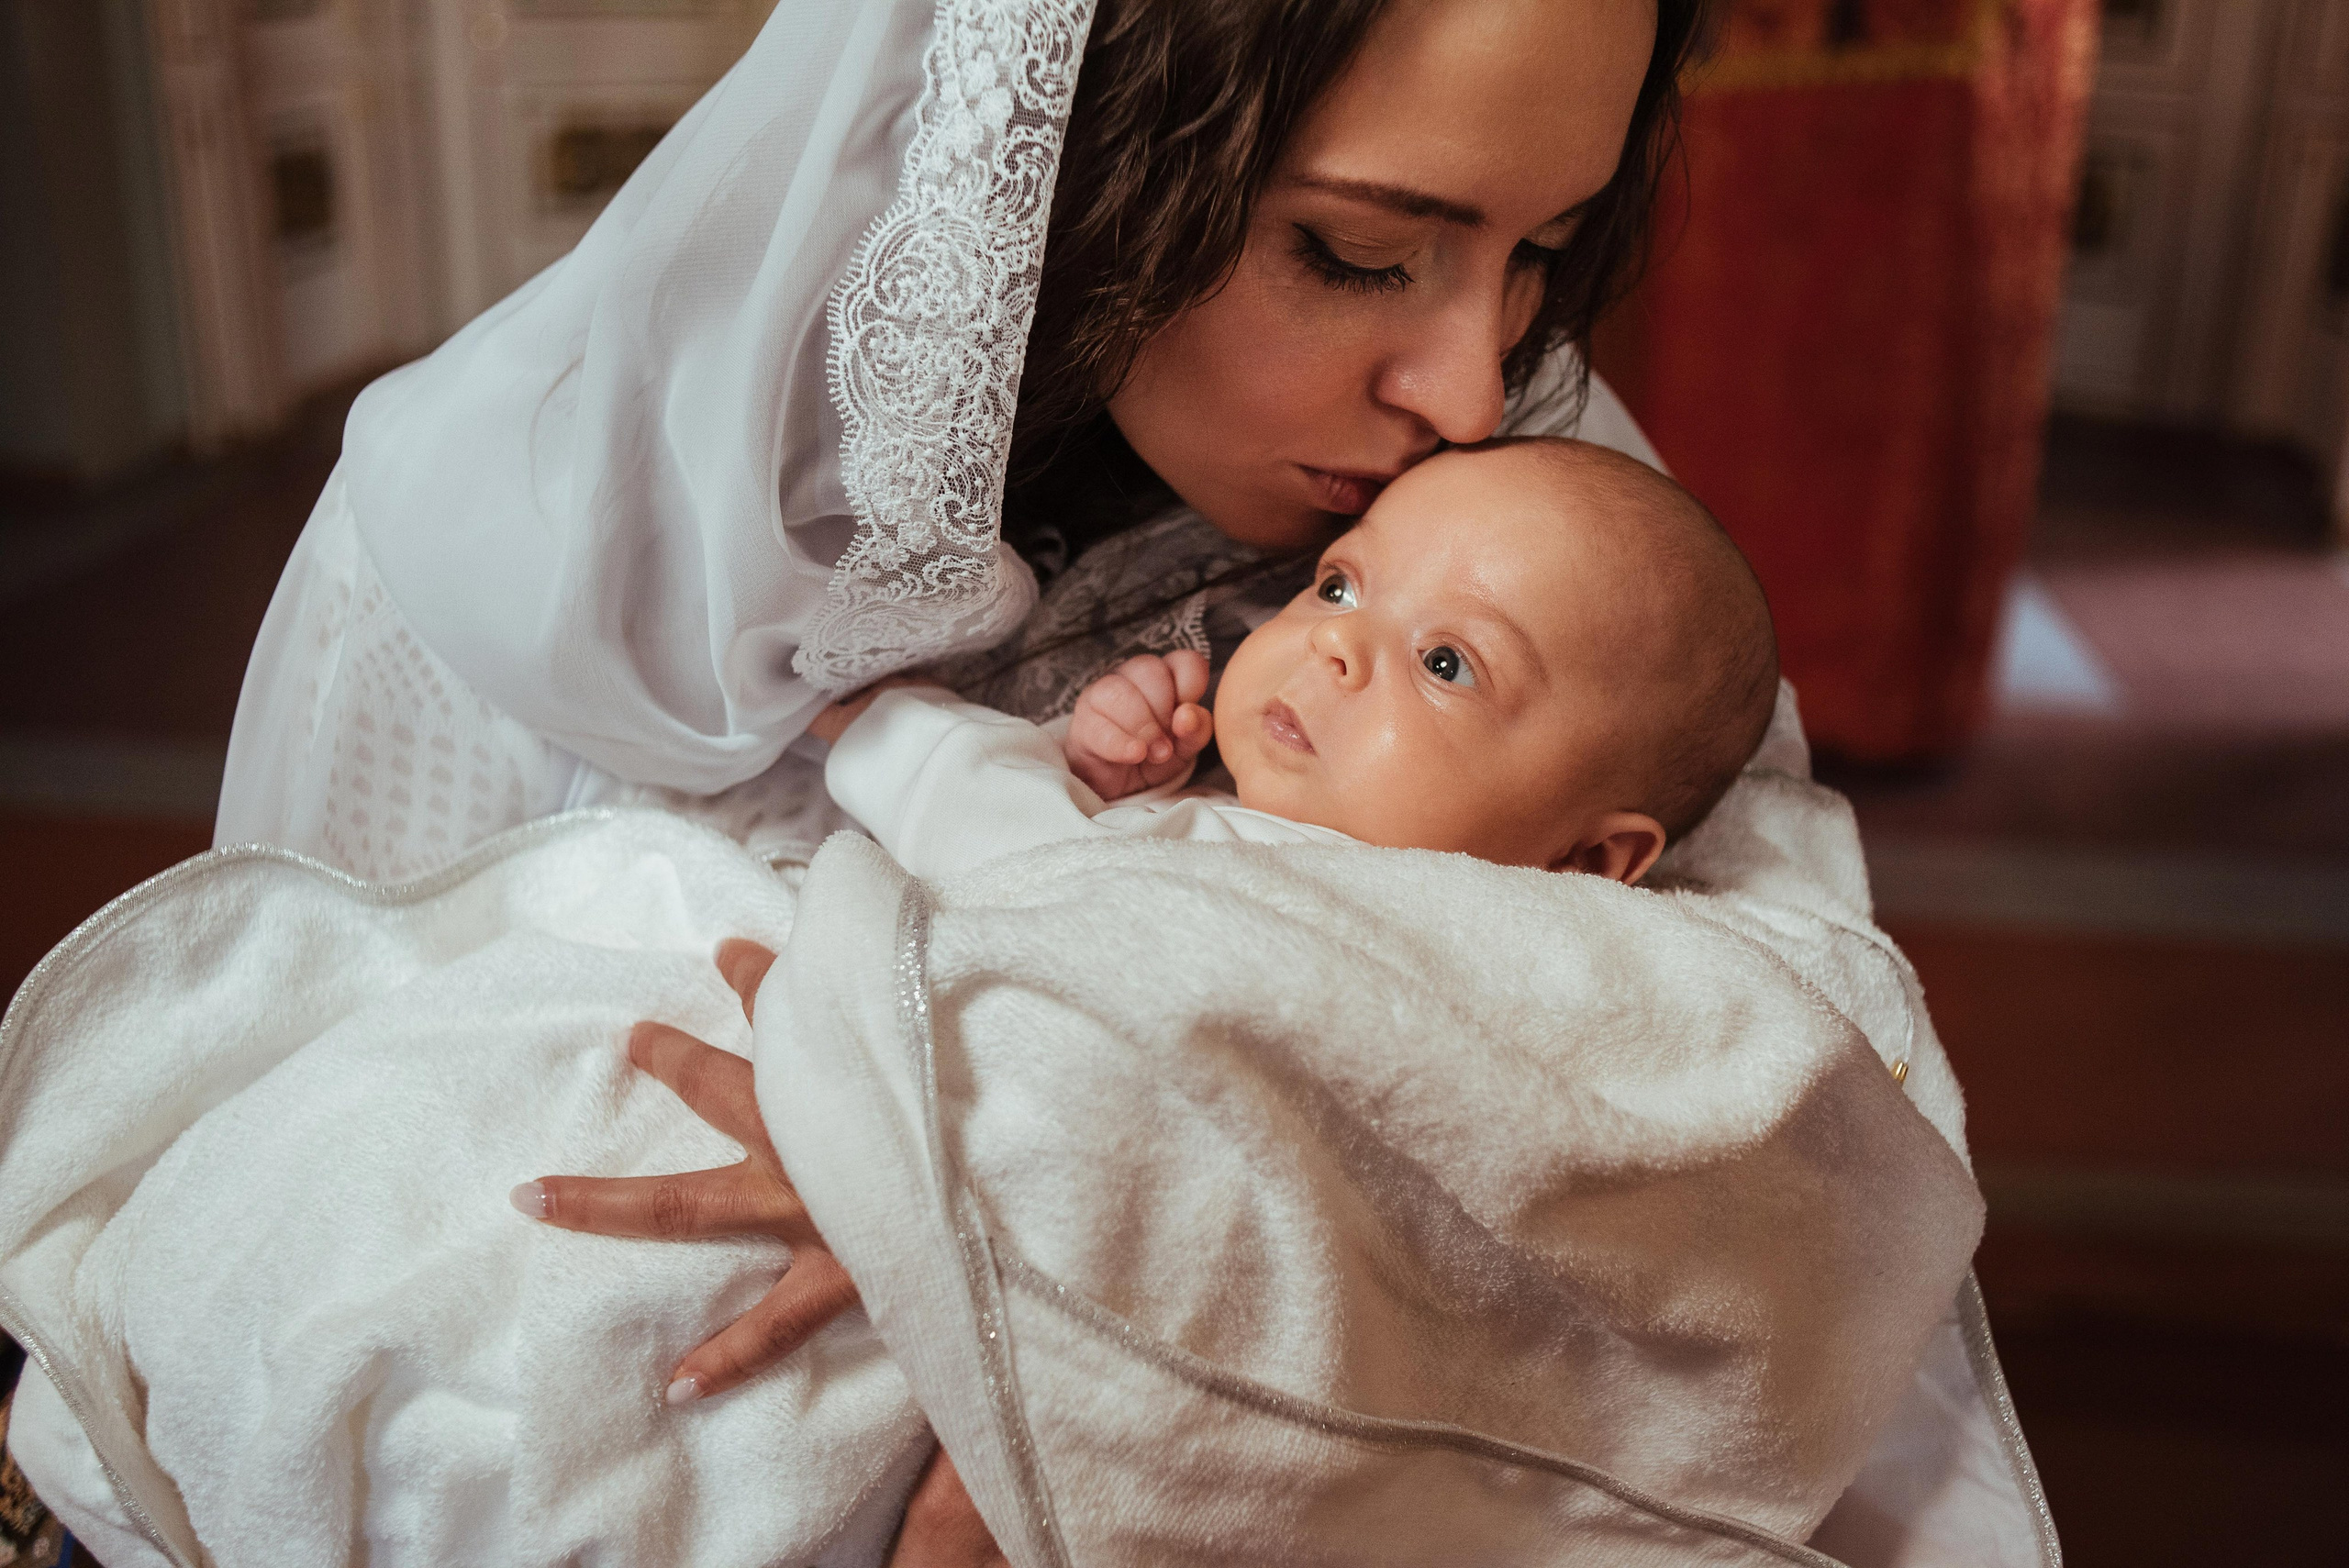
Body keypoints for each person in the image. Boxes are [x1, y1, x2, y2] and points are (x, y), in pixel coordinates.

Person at [9, 0, 2060, 1562]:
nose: (1466, 385)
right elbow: (349, 1156)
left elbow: (1742, 1146)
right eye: (1363, 250)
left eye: (1538, 250)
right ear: (1062, 154)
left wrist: (1048, 1261)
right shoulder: (507, 539)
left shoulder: (1541, 515)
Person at [818, 439, 1777, 884]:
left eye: (1445, 662)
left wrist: (893, 723)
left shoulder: (1307, 892)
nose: (1333, 640)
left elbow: (1010, 853)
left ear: (1586, 857)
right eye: (1338, 585)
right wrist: (1102, 779)